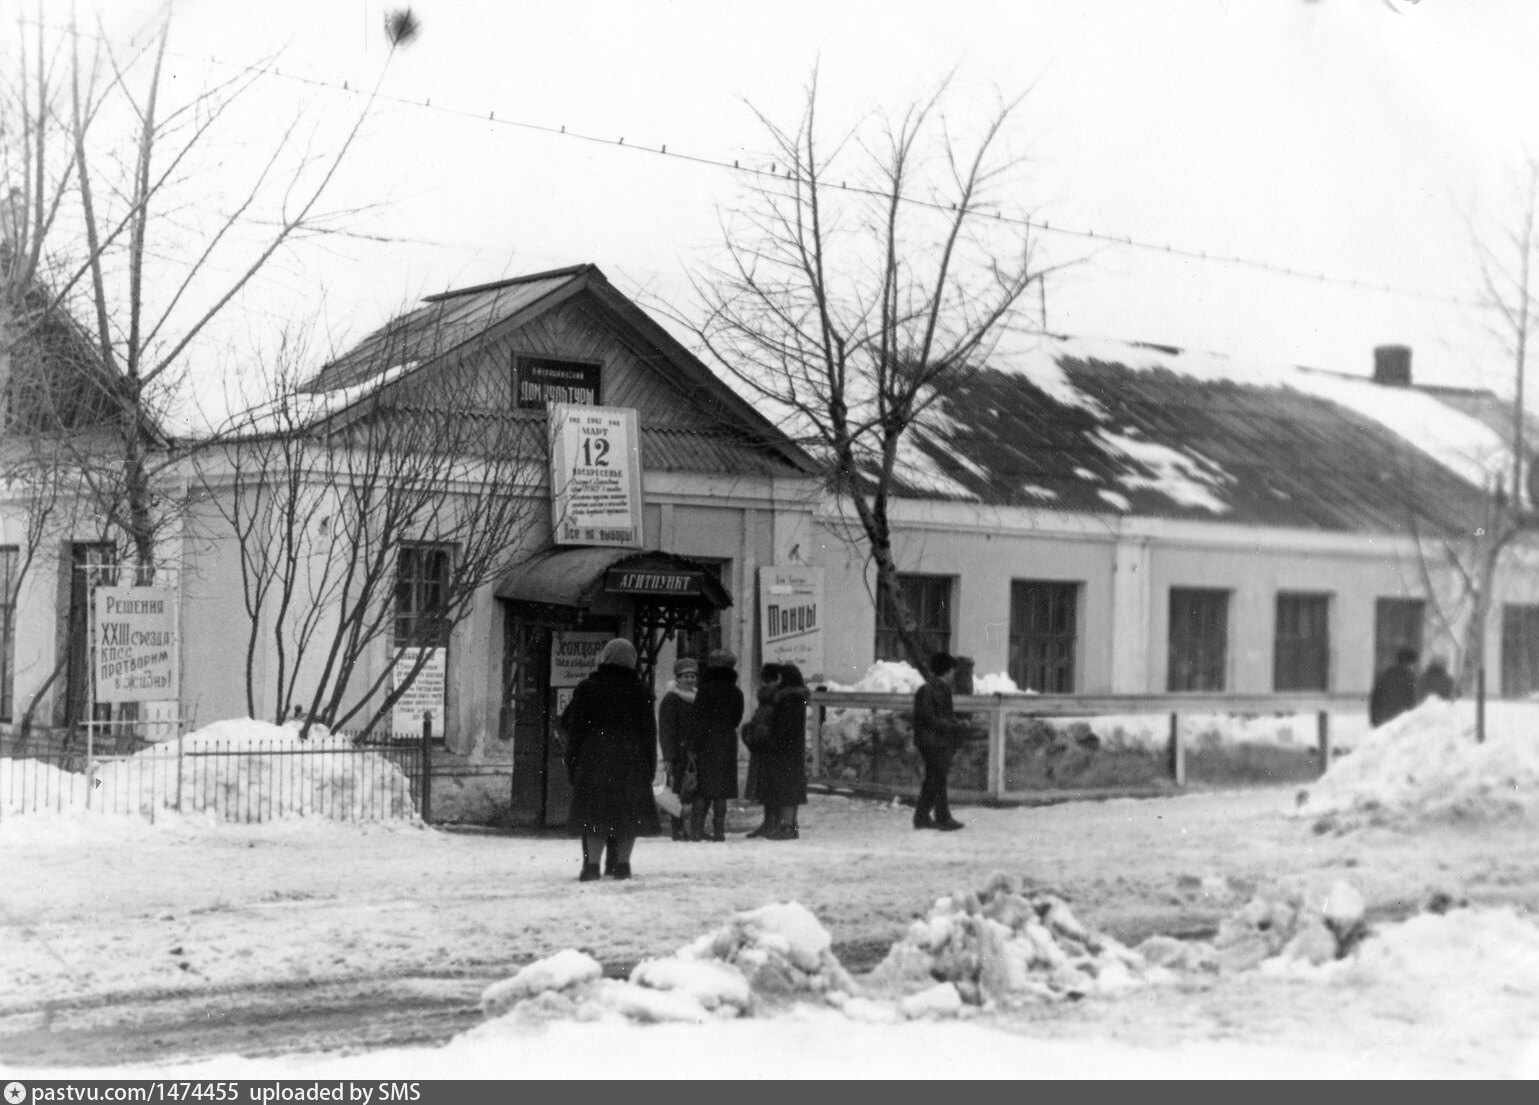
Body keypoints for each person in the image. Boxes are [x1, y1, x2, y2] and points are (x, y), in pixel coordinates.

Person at [560, 638, 661, 881]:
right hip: (632, 756)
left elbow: (575, 729)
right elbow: (649, 732)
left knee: (595, 812)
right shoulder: (640, 690)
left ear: (604, 657)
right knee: (629, 813)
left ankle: (592, 866)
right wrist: (650, 765)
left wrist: (573, 762)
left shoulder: (588, 688)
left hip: (595, 755)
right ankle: (622, 865)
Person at [687, 649, 746, 842]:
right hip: (727, 741)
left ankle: (696, 831)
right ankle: (719, 831)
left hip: (706, 741)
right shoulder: (736, 692)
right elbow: (736, 719)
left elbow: (696, 718)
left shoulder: (704, 690)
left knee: (703, 788)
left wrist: (693, 746)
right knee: (722, 790)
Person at [912, 651, 973, 831]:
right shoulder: (926, 691)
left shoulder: (943, 690)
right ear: (946, 671)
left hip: (938, 739)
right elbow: (929, 719)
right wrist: (954, 726)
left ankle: (927, 817)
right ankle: (937, 817)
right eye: (952, 670)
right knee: (937, 777)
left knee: (936, 777)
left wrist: (957, 723)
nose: (954, 674)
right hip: (929, 740)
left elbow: (946, 716)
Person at [756, 661, 809, 840]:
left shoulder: (787, 699)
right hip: (795, 749)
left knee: (786, 790)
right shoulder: (799, 697)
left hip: (784, 750)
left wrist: (771, 736)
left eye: (780, 678)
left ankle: (787, 827)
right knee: (792, 790)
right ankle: (791, 825)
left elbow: (784, 726)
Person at [656, 657, 698, 841]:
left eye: (693, 676)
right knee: (678, 792)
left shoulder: (697, 697)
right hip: (679, 753)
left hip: (694, 752)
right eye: (686, 676)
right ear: (678, 678)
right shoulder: (671, 699)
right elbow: (666, 730)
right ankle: (678, 828)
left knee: (692, 791)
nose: (690, 680)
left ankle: (691, 828)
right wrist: (669, 757)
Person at [741, 663, 782, 838]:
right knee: (767, 789)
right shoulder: (770, 698)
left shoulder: (774, 699)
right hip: (765, 748)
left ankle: (773, 823)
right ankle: (769, 823)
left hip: (769, 748)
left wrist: (754, 735)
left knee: (771, 789)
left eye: (768, 680)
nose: (766, 684)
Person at [1368, 646, 1420, 728]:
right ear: (1411, 664)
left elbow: (1375, 700)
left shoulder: (1384, 676)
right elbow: (1413, 703)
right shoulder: (1411, 680)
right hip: (1401, 726)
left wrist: (1375, 722)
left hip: (1382, 724)